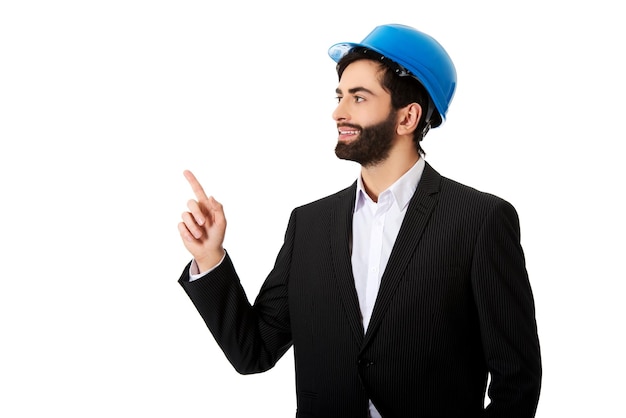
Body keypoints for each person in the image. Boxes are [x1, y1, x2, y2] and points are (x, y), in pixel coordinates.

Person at [177, 23, 542, 418]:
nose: (338, 112)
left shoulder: (479, 220)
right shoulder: (309, 225)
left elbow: (517, 380)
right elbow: (255, 351)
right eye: (339, 96)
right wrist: (210, 257)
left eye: (359, 98)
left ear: (408, 117)